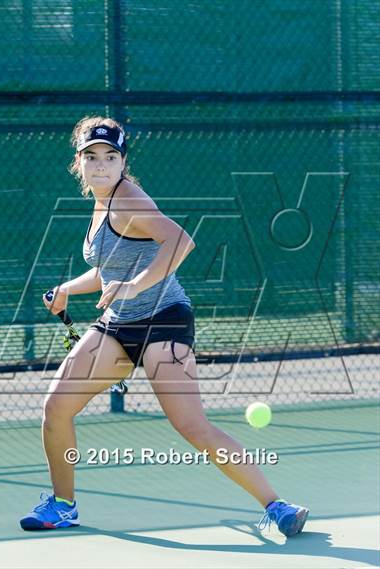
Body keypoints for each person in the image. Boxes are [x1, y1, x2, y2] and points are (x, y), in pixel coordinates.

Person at [20, 116, 309, 537]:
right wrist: (67, 288)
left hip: (164, 321)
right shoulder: (101, 205)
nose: (100, 165)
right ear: (77, 163)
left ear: (123, 163)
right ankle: (63, 506)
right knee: (57, 406)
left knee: (191, 425)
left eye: (110, 157)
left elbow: (180, 242)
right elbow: (109, 270)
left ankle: (277, 506)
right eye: (91, 157)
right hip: (119, 326)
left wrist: (133, 286)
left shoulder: (127, 198)